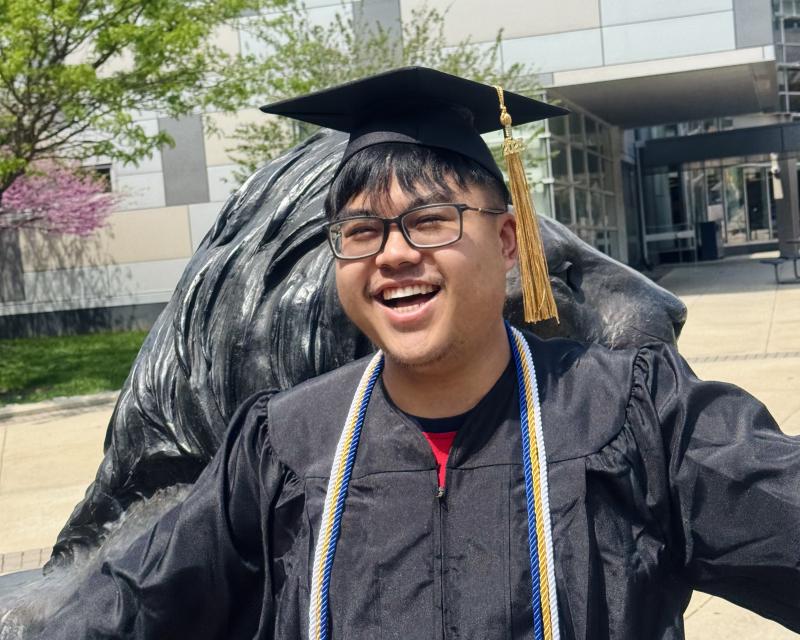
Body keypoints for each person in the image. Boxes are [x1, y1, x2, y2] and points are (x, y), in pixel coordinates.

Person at [39, 67, 800, 639]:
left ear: (509, 243)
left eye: (431, 220)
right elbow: (127, 605)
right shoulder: (282, 445)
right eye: (361, 232)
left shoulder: (640, 417)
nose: (394, 255)